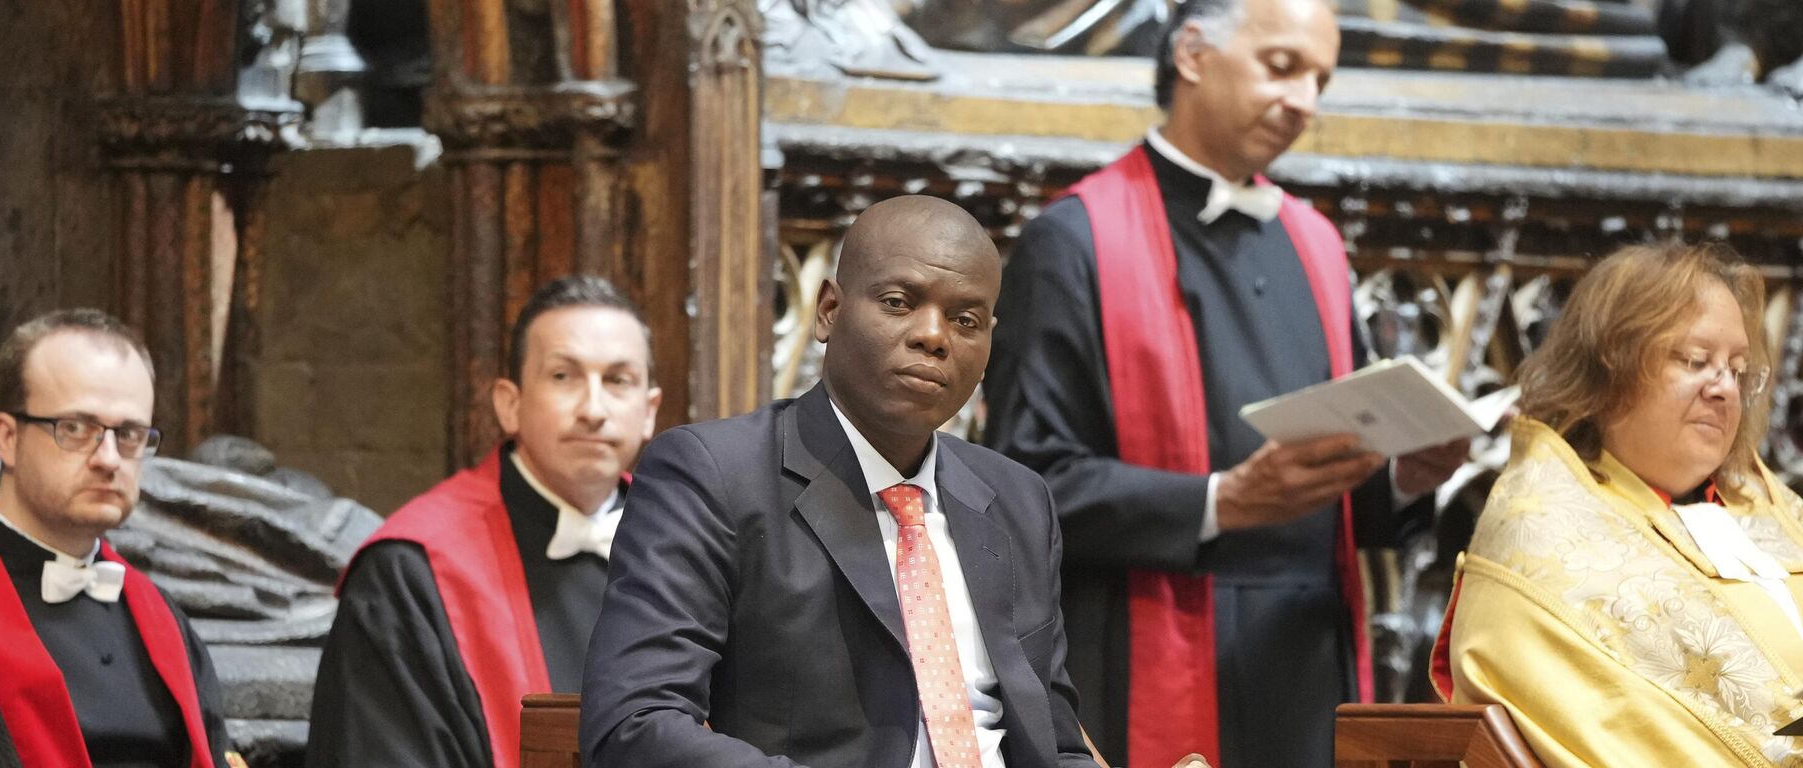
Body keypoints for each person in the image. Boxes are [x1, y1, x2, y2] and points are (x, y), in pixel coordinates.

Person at [981, 0, 1467, 765]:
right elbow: (1023, 492)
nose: (1304, 100)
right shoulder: (1074, 240)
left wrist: (1407, 474)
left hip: (1305, 662)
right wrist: (1218, 504)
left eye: (1319, 79)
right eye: (1282, 67)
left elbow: (1346, 495)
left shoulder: (1315, 242)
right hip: (1141, 645)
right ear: (1193, 55)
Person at [581, 195, 1135, 768]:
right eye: (899, 302)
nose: (933, 336)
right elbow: (634, 723)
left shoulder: (1019, 500)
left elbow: (1056, 743)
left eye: (965, 320)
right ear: (828, 310)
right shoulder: (714, 475)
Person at [1434, 242, 1803, 766]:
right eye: (1697, 361)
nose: (1724, 389)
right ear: (1610, 368)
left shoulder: (1765, 506)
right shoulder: (1543, 537)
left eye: (1739, 369)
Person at [305, 276, 661, 768]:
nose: (594, 410)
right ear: (509, 405)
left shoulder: (688, 545)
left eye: (618, 381)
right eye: (563, 377)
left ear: (649, 411)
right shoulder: (408, 571)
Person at [0, 309, 237, 767]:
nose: (109, 458)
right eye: (75, 428)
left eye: (128, 434)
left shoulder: (164, 618)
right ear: (7, 438)